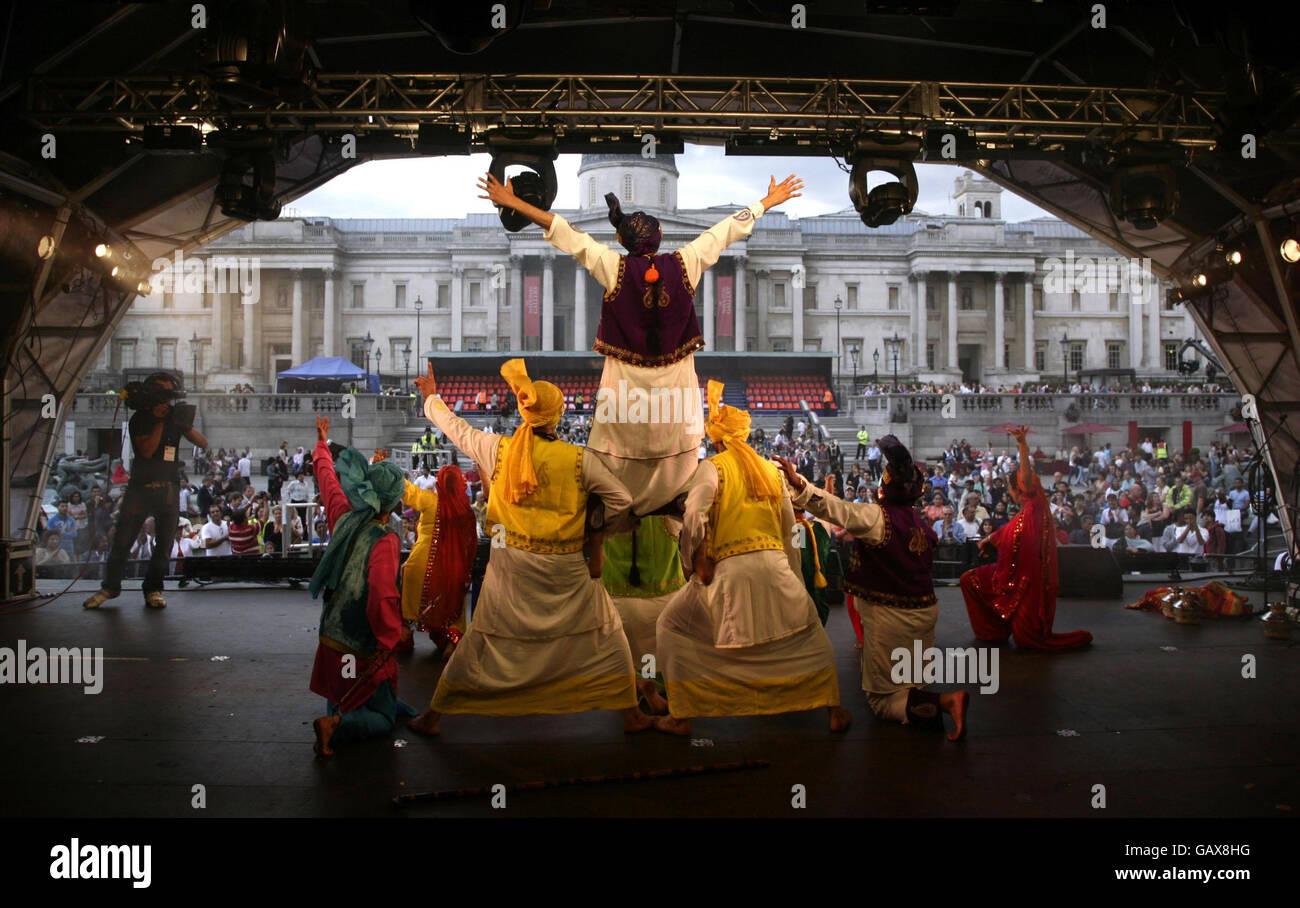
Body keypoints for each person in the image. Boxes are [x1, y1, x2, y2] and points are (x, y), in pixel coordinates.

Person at [477, 168, 802, 515]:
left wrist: (514, 202)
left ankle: (612, 529)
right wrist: (767, 202)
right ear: (660, 238)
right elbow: (723, 232)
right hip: (675, 409)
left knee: (614, 490)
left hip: (624, 406)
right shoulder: (685, 263)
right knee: (677, 484)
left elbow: (566, 233)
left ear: (621, 241)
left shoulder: (612, 267)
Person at [407, 359, 650, 735]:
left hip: (511, 568)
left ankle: (434, 716)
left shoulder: (497, 449)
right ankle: (632, 713)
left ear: (524, 410)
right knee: (608, 631)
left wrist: (432, 398)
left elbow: (457, 429)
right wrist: (593, 530)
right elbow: (622, 501)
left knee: (481, 638)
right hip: (566, 569)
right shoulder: (580, 460)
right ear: (558, 415)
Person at [652, 381, 849, 736]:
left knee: (671, 627)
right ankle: (834, 710)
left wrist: (691, 563)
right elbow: (790, 530)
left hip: (728, 572)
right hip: (776, 567)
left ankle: (682, 714)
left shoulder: (712, 468)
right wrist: (794, 578)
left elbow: (694, 517)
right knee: (808, 636)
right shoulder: (771, 471)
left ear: (716, 438)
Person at [776, 436, 969, 740]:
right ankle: (931, 704)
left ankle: (947, 702)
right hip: (926, 613)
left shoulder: (877, 517)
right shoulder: (921, 524)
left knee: (882, 700)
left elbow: (836, 509)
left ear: (885, 487)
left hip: (891, 617)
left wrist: (798, 483)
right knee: (911, 683)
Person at [308, 416, 408, 757]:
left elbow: (328, 482)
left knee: (341, 694)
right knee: (379, 717)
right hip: (361, 642)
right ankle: (339, 726)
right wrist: (391, 636)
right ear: (394, 504)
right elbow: (382, 595)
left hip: (331, 633)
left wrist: (322, 444)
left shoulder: (344, 515)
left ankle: (337, 717)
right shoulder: (385, 539)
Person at [960, 425, 1093, 650]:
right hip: (1016, 576)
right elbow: (1006, 531)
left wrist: (1022, 444)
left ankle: (998, 627)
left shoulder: (1034, 505)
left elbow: (1025, 476)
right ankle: (994, 630)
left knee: (1027, 640)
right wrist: (989, 540)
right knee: (968, 580)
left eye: (1013, 488)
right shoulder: (1028, 511)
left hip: (1027, 582)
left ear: (1017, 489)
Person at [83, 373, 208, 610]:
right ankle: (110, 587)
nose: (166, 400)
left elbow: (202, 443)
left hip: (168, 490)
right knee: (122, 541)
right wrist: (161, 421)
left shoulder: (174, 418)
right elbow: (147, 450)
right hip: (140, 490)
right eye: (162, 394)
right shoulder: (140, 419)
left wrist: (182, 424)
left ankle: (153, 589)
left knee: (163, 547)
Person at [600, 514, 684, 715]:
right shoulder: (670, 513)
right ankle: (650, 685)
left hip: (619, 600)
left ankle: (634, 701)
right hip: (664, 600)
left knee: (626, 655)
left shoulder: (606, 512)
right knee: (650, 654)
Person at [397, 459, 477, 656]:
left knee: (406, 577)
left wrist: (390, 471)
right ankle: (451, 640)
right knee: (454, 602)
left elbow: (407, 492)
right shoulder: (465, 510)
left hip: (421, 566)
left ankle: (405, 632)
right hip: (452, 568)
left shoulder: (431, 501)